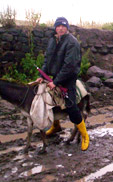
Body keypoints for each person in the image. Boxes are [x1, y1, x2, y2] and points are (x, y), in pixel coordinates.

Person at [35, 17, 89, 151]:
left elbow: (69, 66)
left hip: (68, 79)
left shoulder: (72, 43)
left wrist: (56, 82)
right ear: (55, 28)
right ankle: (56, 126)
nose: (60, 28)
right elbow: (48, 59)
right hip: (54, 78)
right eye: (58, 26)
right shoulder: (54, 40)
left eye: (63, 26)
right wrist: (42, 76)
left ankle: (85, 135)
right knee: (47, 101)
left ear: (67, 28)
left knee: (71, 106)